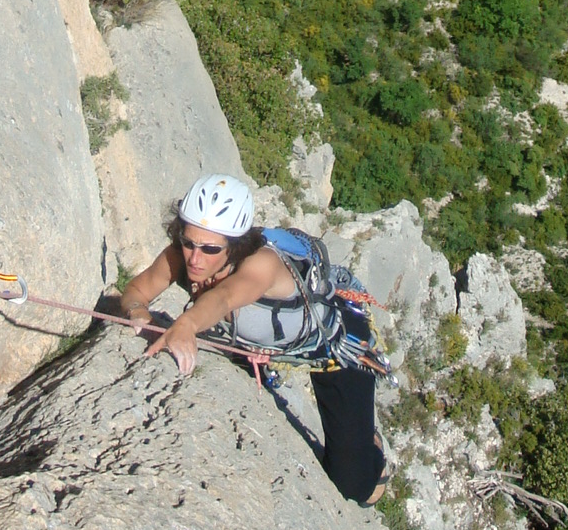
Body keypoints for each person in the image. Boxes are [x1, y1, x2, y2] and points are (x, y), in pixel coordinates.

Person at [119, 173, 387, 506]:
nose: (194, 259)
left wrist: (187, 323)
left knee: (356, 488)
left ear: (235, 245)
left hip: (336, 344)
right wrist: (136, 312)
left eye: (210, 248)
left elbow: (224, 298)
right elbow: (136, 291)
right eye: (188, 242)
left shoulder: (262, 266)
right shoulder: (183, 256)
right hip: (271, 341)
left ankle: (371, 444)